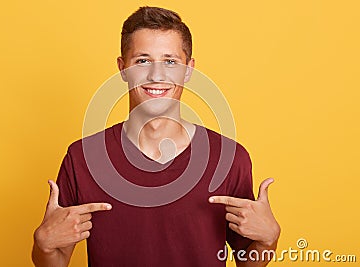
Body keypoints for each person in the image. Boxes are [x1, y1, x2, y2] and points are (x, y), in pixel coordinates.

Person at [32, 6, 280, 267]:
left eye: (170, 61)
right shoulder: (83, 157)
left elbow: (246, 261)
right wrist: (44, 245)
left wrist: (268, 241)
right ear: (122, 68)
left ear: (188, 69)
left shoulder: (229, 158)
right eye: (142, 60)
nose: (157, 75)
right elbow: (55, 261)